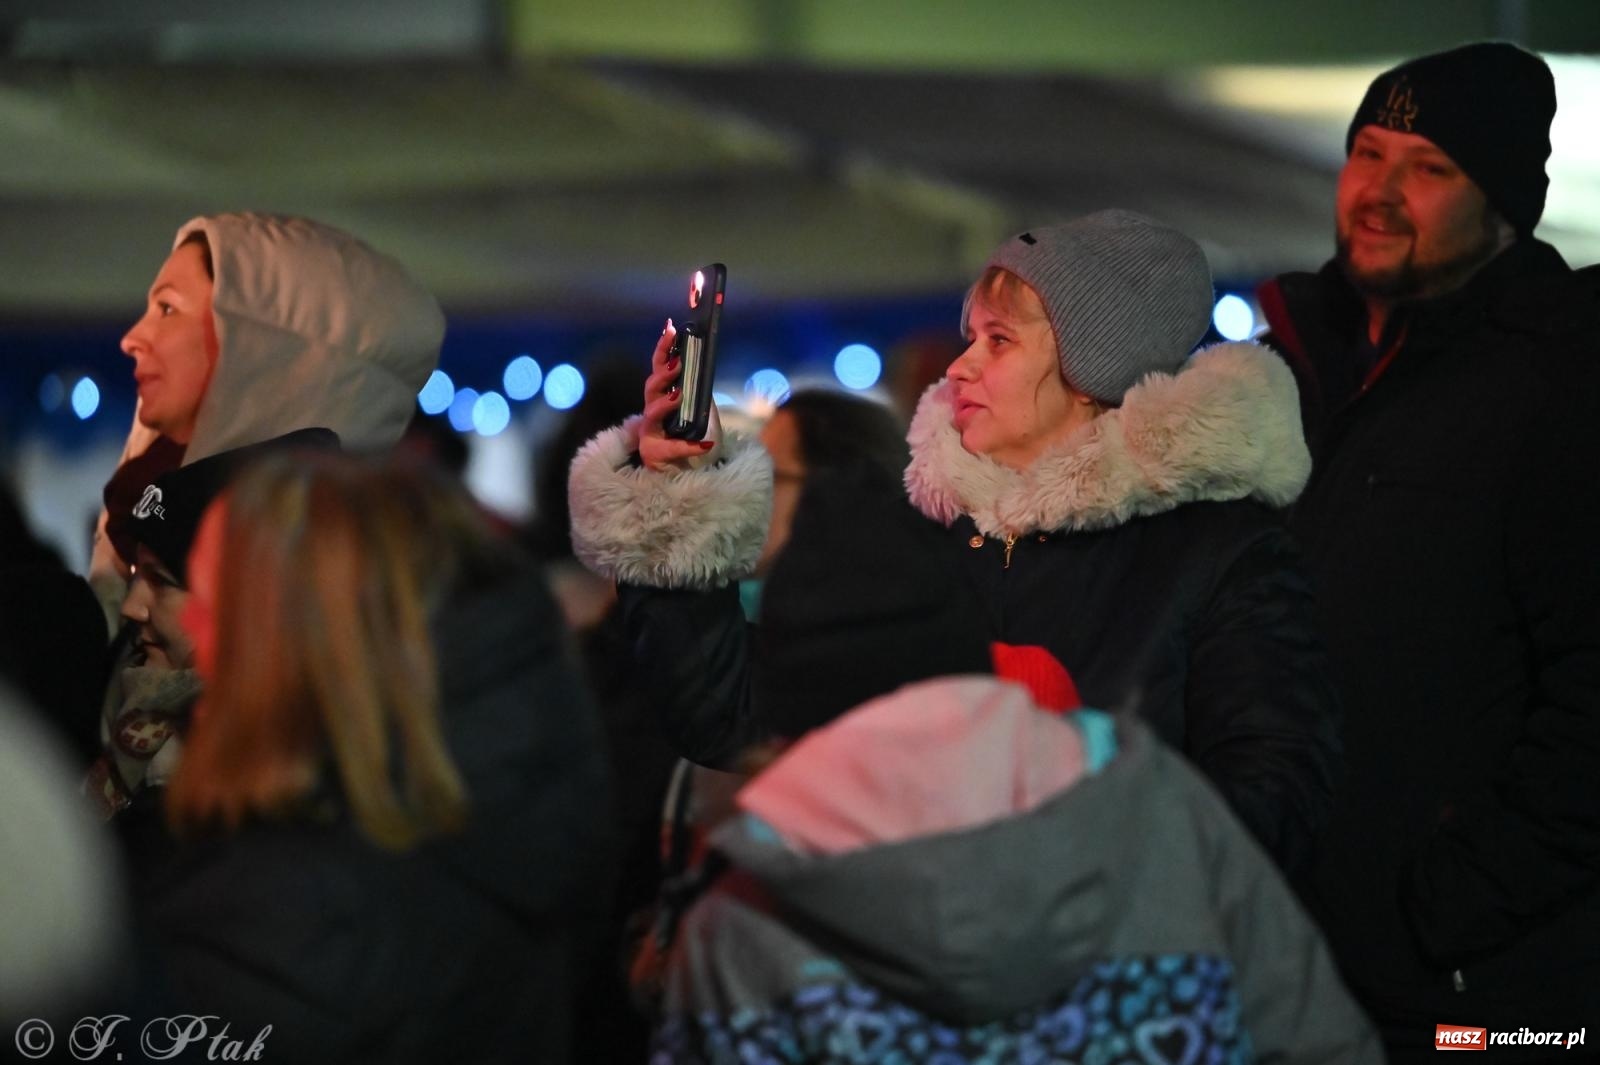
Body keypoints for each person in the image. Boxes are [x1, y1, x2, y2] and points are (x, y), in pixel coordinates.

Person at [571, 209, 1340, 873]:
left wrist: (1056, 870)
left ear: (1092, 368)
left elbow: (1271, 800)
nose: (962, 366)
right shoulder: (932, 534)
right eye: (972, 335)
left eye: (998, 340)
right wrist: (677, 490)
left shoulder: (1219, 552)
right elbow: (736, 711)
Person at [644, 465, 1381, 1065]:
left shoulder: (741, 925)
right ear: (970, 663)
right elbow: (1317, 1040)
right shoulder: (1164, 818)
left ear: (794, 714)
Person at [1256, 42, 1600, 1059]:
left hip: (1478, 990)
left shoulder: (1560, 382)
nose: (1380, 190)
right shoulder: (1292, 376)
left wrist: (1447, 907)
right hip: (1296, 963)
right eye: (1368, 152)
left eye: (1430, 168)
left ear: (1503, 204)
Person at [133, 453, 612, 1064]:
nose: (191, 627)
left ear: (301, 636)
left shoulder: (287, 921)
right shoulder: (512, 799)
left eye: (212, 598)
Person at [91, 212, 444, 634]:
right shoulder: (141, 503)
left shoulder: (338, 573)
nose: (131, 338)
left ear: (263, 349)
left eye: (167, 308)